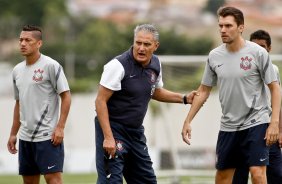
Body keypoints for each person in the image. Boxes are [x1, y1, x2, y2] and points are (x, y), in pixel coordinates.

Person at [181, 7, 281, 184]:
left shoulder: (258, 53)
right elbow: (203, 90)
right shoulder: (214, 56)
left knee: (258, 173)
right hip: (229, 127)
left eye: (228, 25)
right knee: (223, 178)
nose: (223, 30)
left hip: (257, 122)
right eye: (220, 26)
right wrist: (188, 120)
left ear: (241, 27)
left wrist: (274, 123)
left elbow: (275, 88)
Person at [94, 23, 198, 183]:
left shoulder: (156, 64)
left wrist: (184, 98)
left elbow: (154, 90)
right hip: (113, 129)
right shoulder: (117, 66)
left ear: (156, 46)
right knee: (111, 181)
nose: (141, 48)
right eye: (138, 43)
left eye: (146, 44)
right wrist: (108, 138)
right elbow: (100, 101)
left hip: (135, 133)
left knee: (147, 181)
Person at [7, 25, 71, 184]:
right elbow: (18, 103)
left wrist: (60, 127)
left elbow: (66, 96)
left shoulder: (51, 65)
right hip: (25, 138)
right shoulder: (16, 70)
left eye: (28, 40)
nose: (23, 43)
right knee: (29, 181)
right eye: (21, 40)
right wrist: (14, 133)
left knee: (53, 180)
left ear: (39, 44)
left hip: (47, 136)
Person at [232, 30, 282, 184]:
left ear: (269, 49)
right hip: (242, 130)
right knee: (240, 176)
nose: (258, 50)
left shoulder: (273, 70)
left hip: (269, 130)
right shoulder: (239, 69)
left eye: (262, 46)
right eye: (254, 46)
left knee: (277, 175)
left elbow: (277, 102)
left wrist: (280, 129)